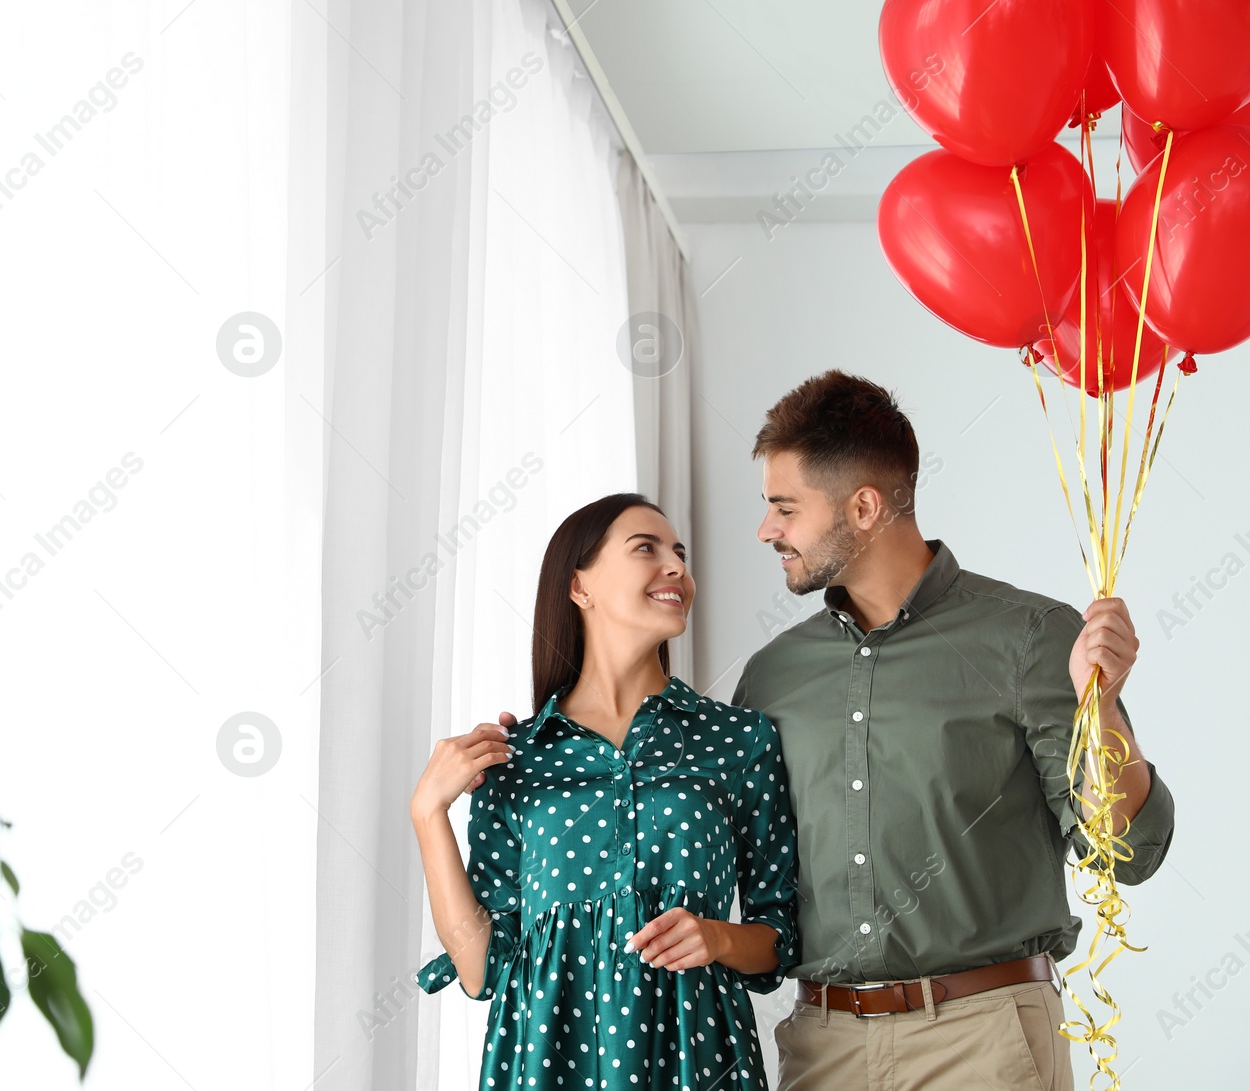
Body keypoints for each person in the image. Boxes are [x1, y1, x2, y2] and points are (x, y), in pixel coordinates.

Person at [732, 370, 1175, 1090]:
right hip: (822, 1048)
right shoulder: (772, 677)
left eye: (784, 508)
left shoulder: (1031, 638)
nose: (767, 530)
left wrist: (1107, 705)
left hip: (987, 1044)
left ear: (865, 506)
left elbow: (1125, 850)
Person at [411, 493, 799, 1090]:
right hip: (545, 1064)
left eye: (680, 554)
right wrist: (428, 813)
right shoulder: (517, 760)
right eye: (646, 549)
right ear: (578, 587)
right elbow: (482, 969)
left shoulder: (738, 739)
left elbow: (779, 940)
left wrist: (717, 935)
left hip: (699, 1060)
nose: (677, 568)